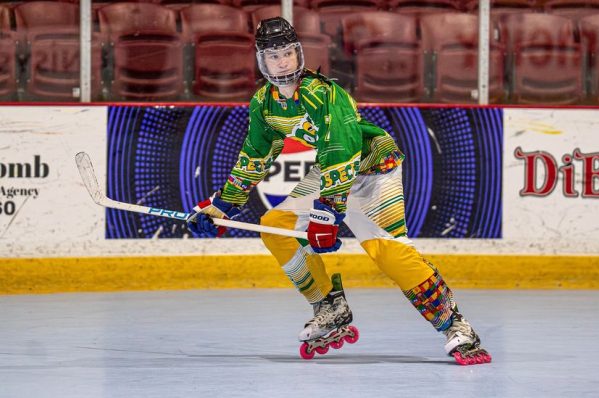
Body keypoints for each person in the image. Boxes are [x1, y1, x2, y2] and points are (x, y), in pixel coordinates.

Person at [186, 16, 491, 365]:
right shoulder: (264, 104)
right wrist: (221, 206)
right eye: (273, 56)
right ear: (261, 61)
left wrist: (327, 211)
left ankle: (456, 325)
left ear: (299, 54)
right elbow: (255, 155)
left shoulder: (325, 94)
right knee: (277, 226)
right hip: (330, 176)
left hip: (374, 168)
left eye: (287, 53)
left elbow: (342, 151)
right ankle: (329, 306)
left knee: (388, 254)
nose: (282, 61)